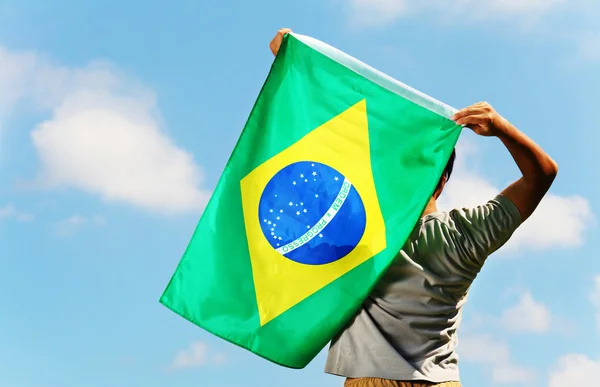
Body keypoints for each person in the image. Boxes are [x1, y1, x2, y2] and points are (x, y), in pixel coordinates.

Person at [269, 29, 558, 387]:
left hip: (368, 381)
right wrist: (501, 128)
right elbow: (542, 175)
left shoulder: (354, 230)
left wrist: (297, 63)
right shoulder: (466, 234)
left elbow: (318, 146)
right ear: (442, 181)